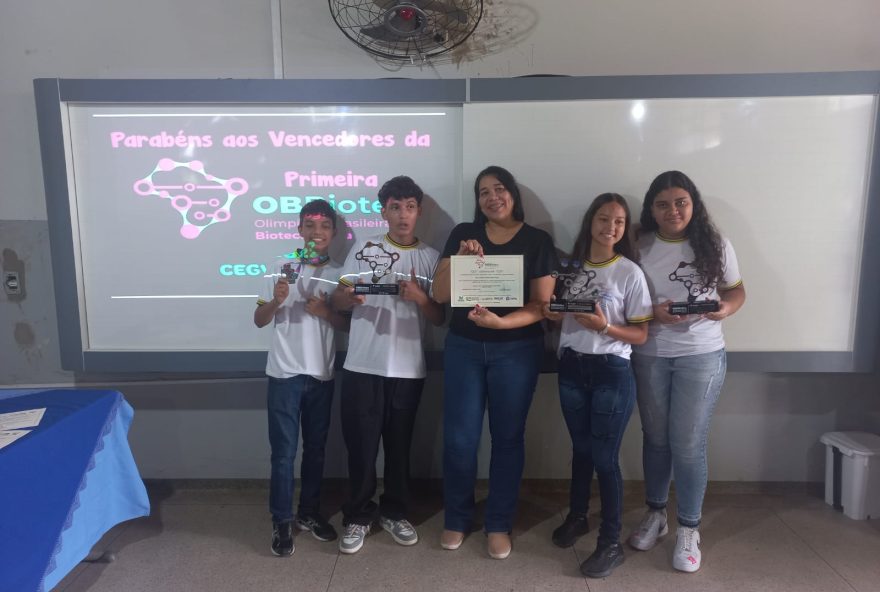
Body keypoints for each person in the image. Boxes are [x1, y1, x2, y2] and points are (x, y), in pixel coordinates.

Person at [432, 165, 557, 560]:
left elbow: (542, 306)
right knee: (459, 439)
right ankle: (457, 517)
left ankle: (499, 522)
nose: (492, 197)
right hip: (464, 347)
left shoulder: (537, 241)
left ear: (513, 194)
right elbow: (439, 295)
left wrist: (502, 322)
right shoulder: (461, 236)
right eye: (483, 192)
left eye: (499, 189)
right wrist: (459, 260)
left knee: (507, 438)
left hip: (517, 350)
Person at [627, 171, 745, 572]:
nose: (672, 210)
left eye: (680, 202)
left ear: (693, 204)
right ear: (651, 209)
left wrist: (725, 309)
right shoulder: (637, 244)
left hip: (702, 354)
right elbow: (623, 296)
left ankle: (689, 528)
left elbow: (736, 291)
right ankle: (656, 514)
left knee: (688, 444)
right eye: (663, 204)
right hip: (651, 353)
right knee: (656, 439)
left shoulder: (715, 244)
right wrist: (650, 313)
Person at [332, 175, 445, 554]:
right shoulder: (364, 248)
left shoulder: (430, 257)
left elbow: (439, 318)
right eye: (394, 207)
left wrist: (419, 298)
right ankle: (357, 516)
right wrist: (348, 300)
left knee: (399, 448)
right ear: (383, 211)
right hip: (363, 365)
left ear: (419, 211)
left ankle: (395, 512)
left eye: (409, 207)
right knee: (361, 448)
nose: (402, 214)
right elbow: (338, 299)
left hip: (408, 368)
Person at [543, 193, 653, 578]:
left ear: (625, 229)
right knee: (582, 450)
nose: (611, 227)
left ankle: (610, 543)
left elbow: (640, 335)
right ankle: (577, 517)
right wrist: (552, 315)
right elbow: (561, 319)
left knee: (605, 458)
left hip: (611, 371)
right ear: (591, 221)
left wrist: (604, 326)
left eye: (619, 222)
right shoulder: (569, 269)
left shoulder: (629, 272)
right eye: (604, 219)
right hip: (571, 367)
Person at [254, 199, 349, 557]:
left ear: (333, 233)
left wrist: (326, 311)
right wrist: (277, 301)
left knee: (316, 451)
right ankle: (281, 519)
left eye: (324, 226)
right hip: (283, 374)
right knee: (283, 454)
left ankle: (308, 513)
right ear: (299, 230)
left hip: (321, 374)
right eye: (310, 226)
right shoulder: (280, 266)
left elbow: (346, 325)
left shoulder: (340, 272)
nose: (317, 232)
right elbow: (259, 320)